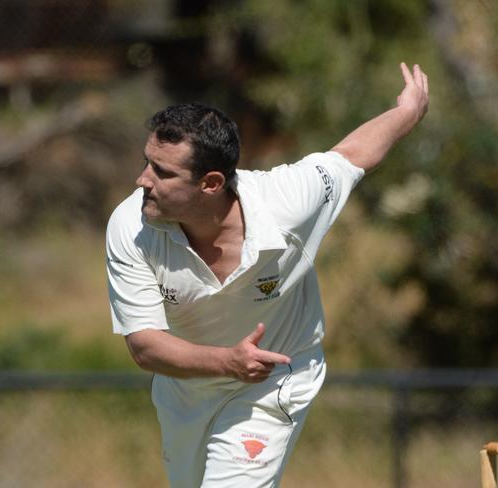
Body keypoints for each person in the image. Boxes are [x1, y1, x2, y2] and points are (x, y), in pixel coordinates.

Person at [106, 62, 429, 487]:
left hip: (274, 380)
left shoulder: (287, 201)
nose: (142, 180)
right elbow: (145, 347)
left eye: (162, 173)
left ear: (211, 183)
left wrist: (406, 112)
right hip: (187, 389)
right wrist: (228, 361)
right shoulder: (130, 227)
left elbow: (351, 157)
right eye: (147, 162)